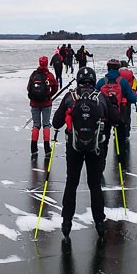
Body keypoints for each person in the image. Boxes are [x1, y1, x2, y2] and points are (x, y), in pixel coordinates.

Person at [52, 67, 119, 239]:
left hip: (73, 147)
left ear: (78, 80)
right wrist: (112, 105)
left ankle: (66, 222)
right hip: (96, 148)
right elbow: (117, 121)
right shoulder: (100, 97)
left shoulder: (70, 97)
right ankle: (99, 223)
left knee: (71, 183)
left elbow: (56, 123)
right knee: (95, 184)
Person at [96, 59, 137, 167]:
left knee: (103, 142)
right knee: (121, 142)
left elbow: (94, 98)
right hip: (119, 116)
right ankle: (122, 165)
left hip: (104, 117)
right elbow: (132, 98)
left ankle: (100, 165)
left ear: (108, 68)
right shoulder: (122, 81)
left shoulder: (102, 82)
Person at [27, 56, 59, 156]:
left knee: (36, 125)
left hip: (34, 104)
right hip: (46, 104)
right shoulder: (49, 76)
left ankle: (33, 148)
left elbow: (28, 88)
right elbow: (55, 87)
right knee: (46, 125)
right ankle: (46, 148)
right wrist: (49, 95)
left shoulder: (33, 75)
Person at [119, 60, 137, 136]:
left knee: (119, 115)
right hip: (128, 99)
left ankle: (118, 133)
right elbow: (136, 86)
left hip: (118, 99)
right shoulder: (132, 76)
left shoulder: (117, 74)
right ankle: (127, 132)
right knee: (127, 116)